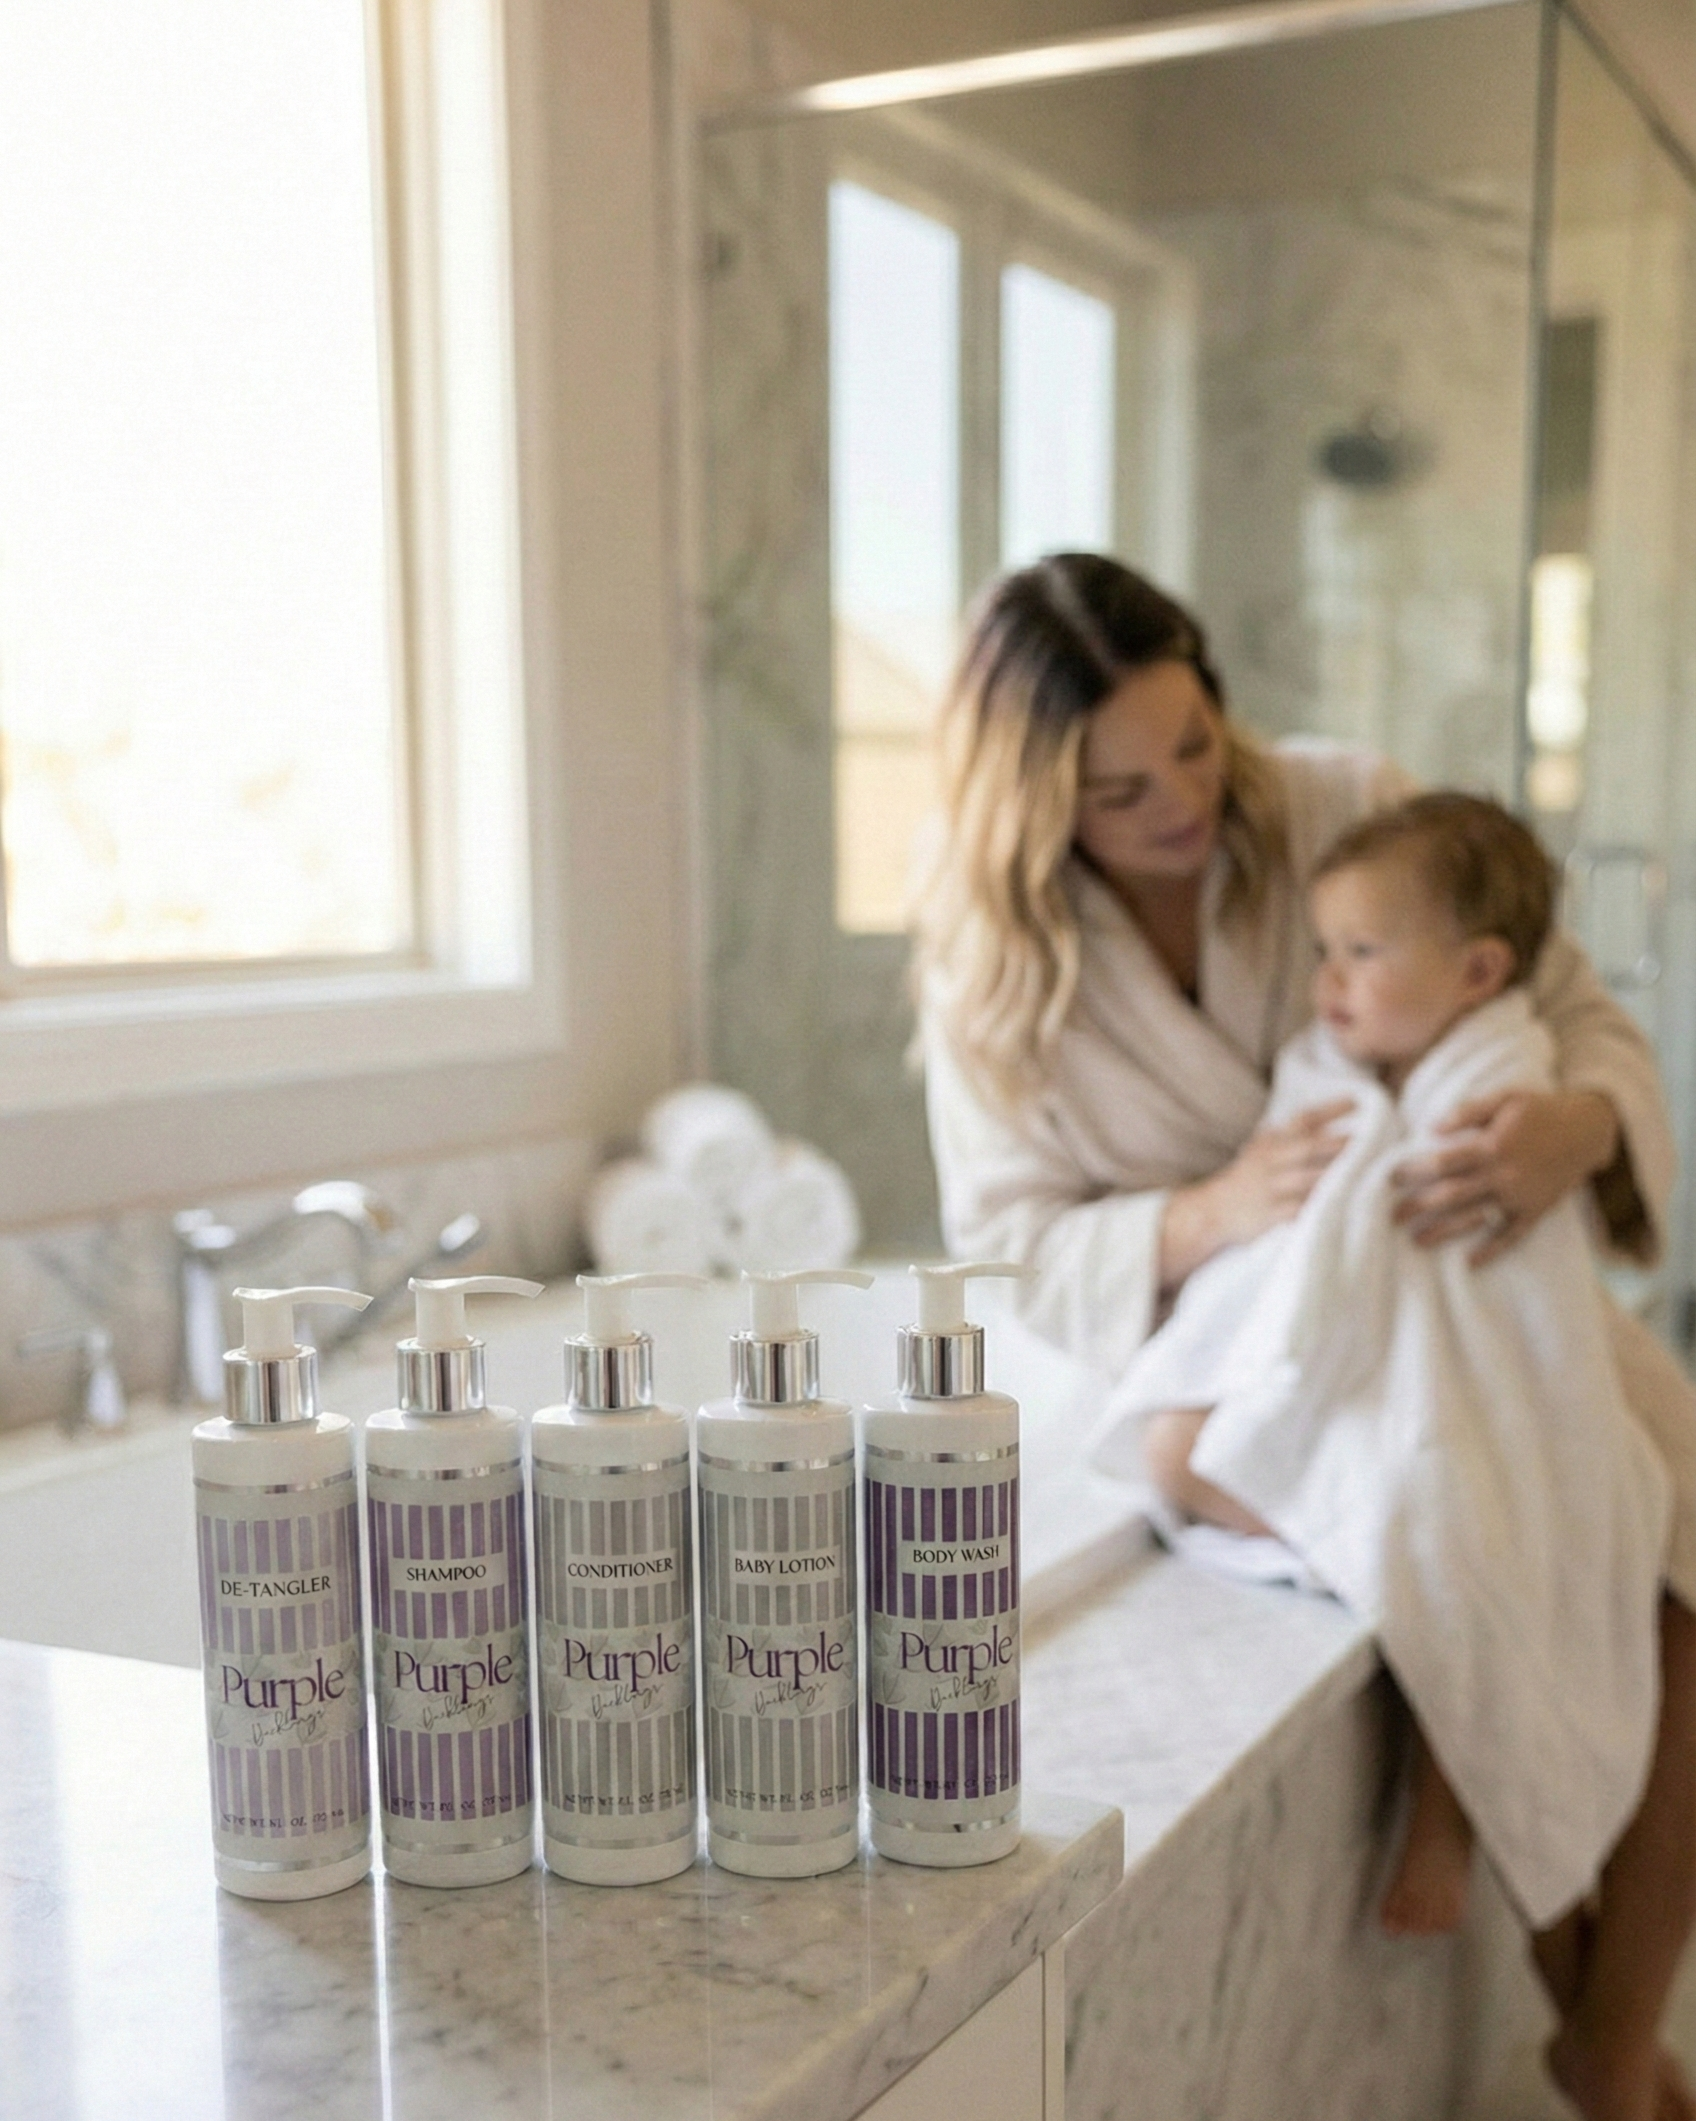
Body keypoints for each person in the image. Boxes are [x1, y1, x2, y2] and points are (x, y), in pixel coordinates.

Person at [913, 554, 1696, 2121]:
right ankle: (1599, 2040)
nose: (1181, 803)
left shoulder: (1345, 801)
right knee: (1463, 1535)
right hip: (1253, 1344)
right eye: (1119, 788)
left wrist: (1578, 1124)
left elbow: (1563, 999)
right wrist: (1211, 1209)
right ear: (1032, 793)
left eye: (1194, 744)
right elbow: (1008, 1245)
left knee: (1678, 1575)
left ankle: (1611, 2030)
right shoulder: (988, 968)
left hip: (1471, 1290)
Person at [1106, 792, 1668, 1962]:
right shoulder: (1338, 1058)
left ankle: (1448, 1797)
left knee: (1442, 1510)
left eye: (1362, 953)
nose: (1329, 981)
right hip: (1354, 1375)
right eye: (1323, 952)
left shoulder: (1501, 1068)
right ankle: (1400, 1598)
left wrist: (1579, 1125)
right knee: (1185, 1454)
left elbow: (1499, 1298)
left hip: (1466, 1380)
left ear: (1476, 971)